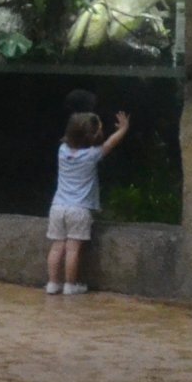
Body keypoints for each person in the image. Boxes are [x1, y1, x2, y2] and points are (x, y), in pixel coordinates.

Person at [45, 108, 129, 295]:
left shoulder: (62, 151)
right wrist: (123, 129)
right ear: (91, 137)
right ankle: (70, 285)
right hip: (79, 210)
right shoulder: (92, 155)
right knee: (73, 249)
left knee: (57, 246)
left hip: (57, 207)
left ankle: (52, 283)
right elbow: (110, 143)